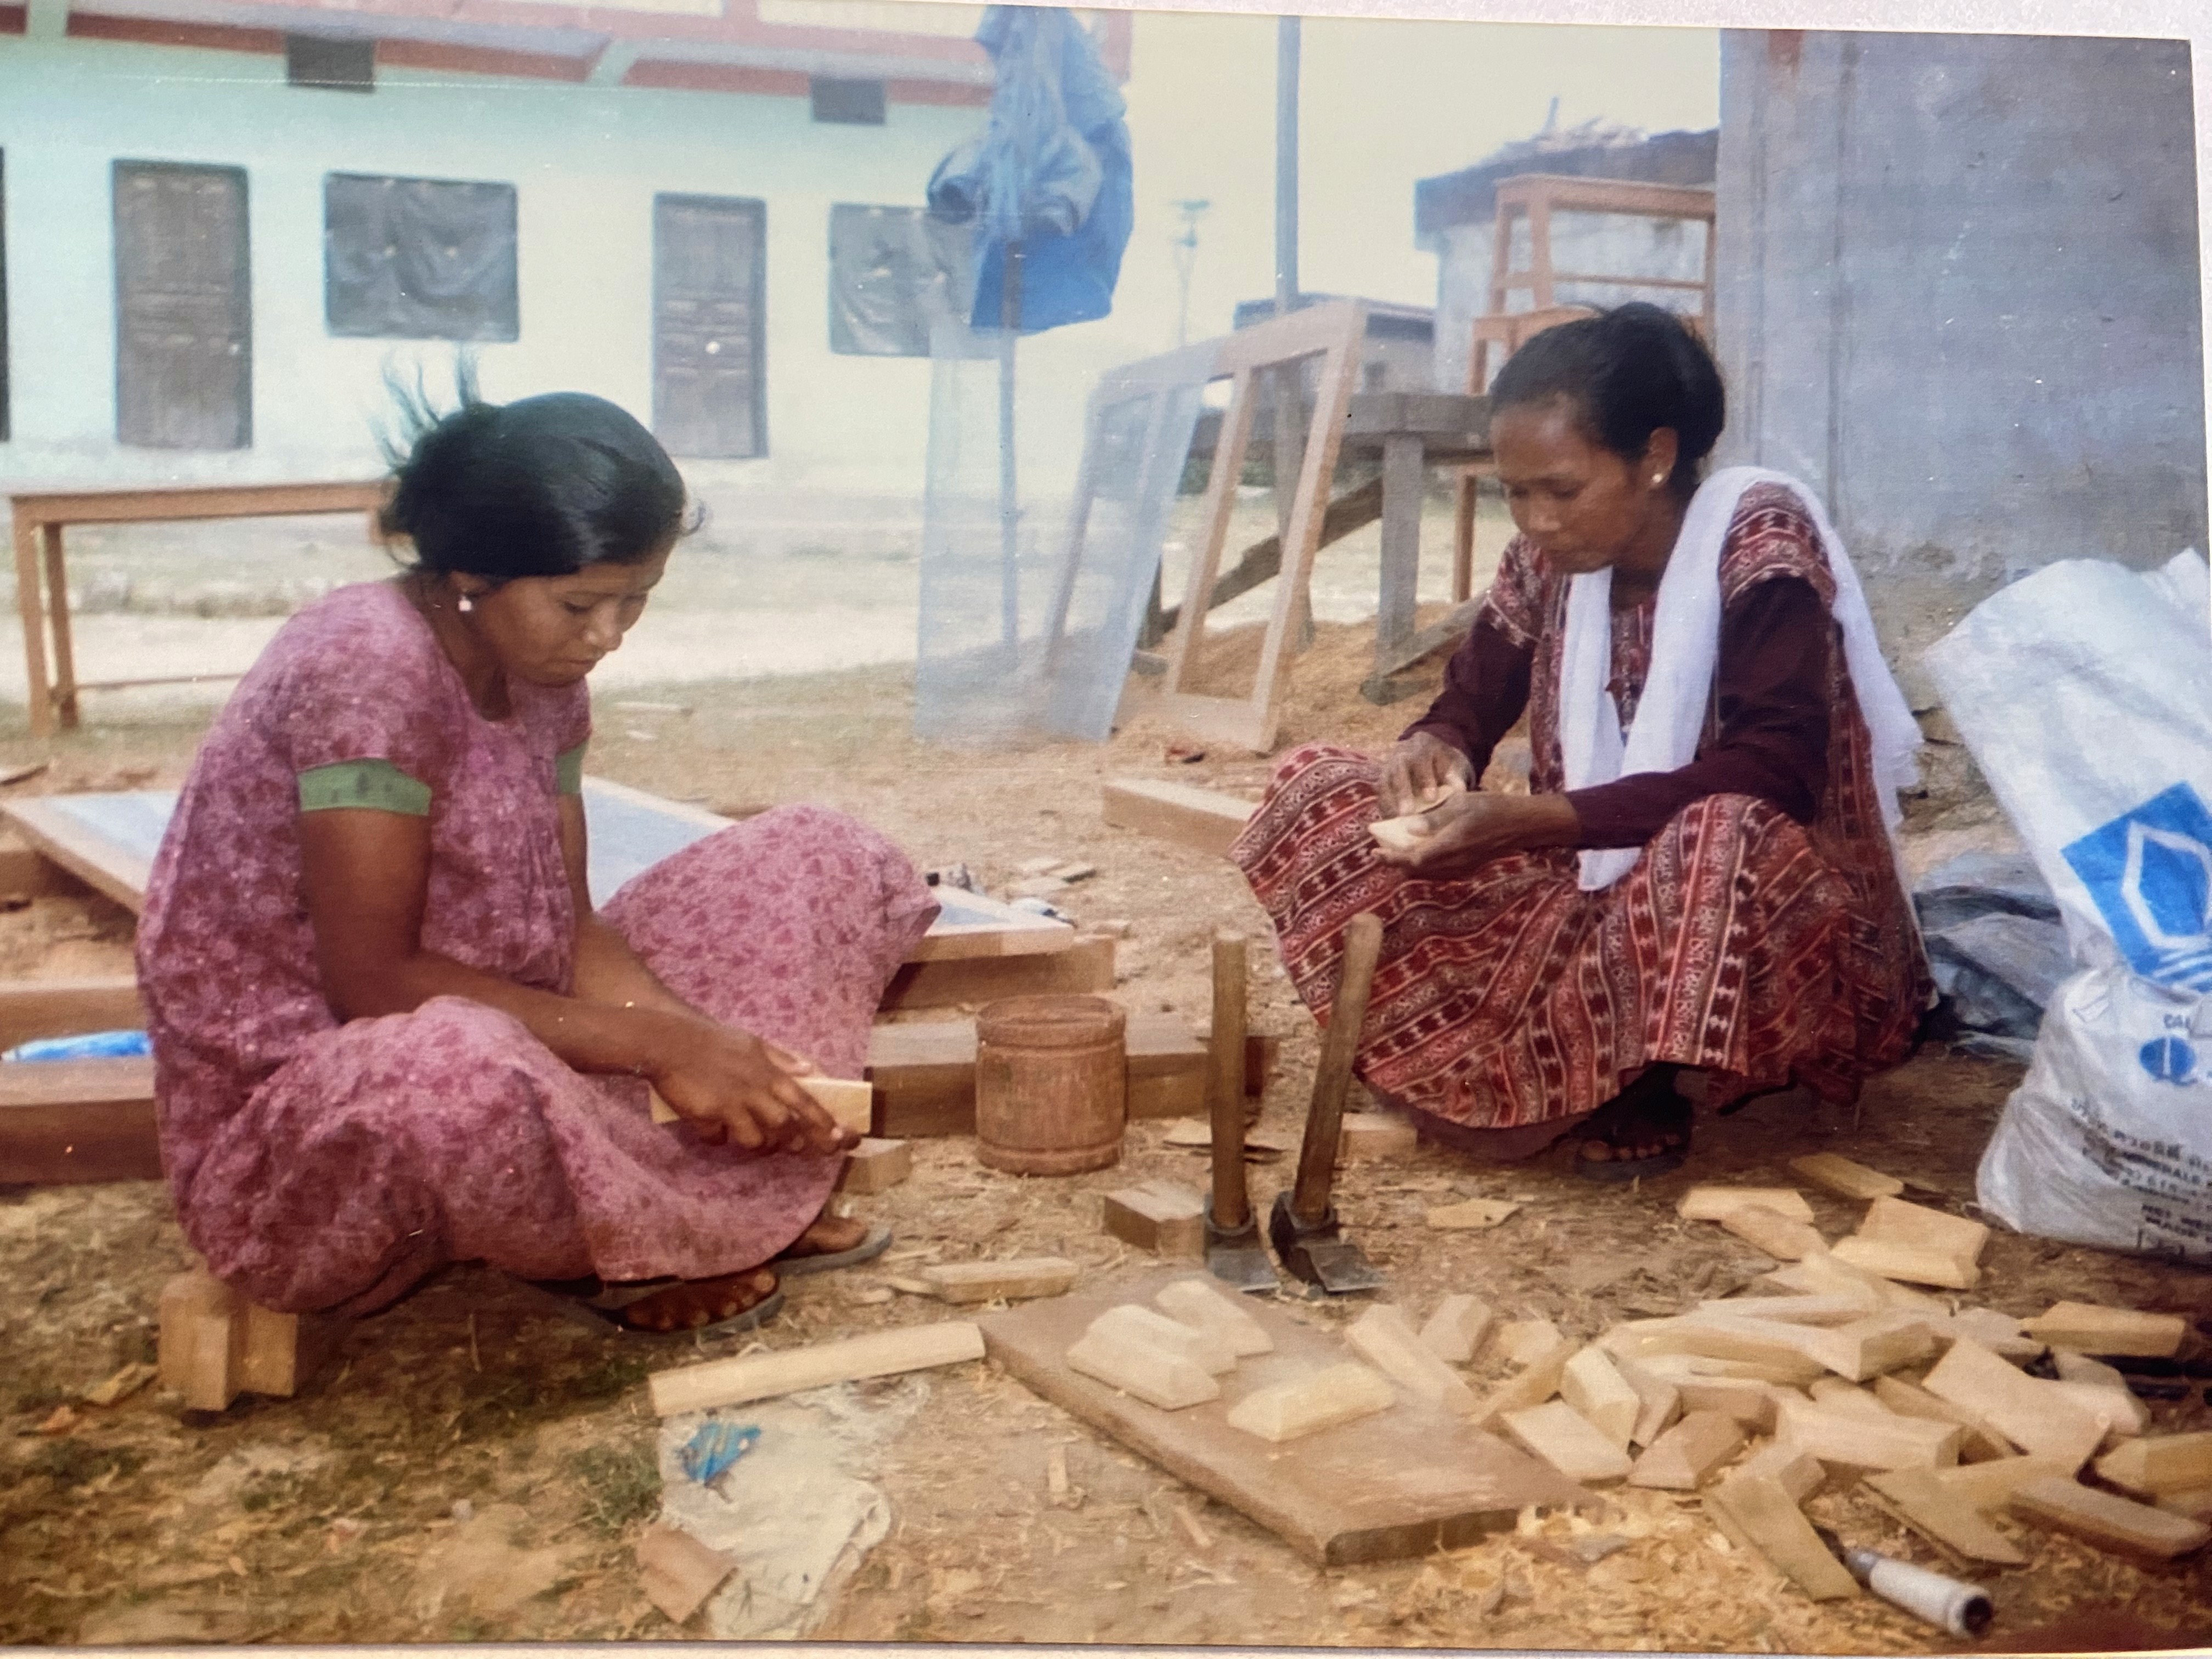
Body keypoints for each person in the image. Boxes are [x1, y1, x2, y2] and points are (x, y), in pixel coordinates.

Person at [137, 382, 938, 1333]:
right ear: (473, 573)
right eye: (580, 604)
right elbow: (373, 983)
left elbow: (570, 928)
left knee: (819, 854)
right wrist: (664, 1047)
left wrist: (721, 1053)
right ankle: (639, 1237)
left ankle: (695, 1202)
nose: (608, 636)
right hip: (313, 1128)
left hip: (523, 1031)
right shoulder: (365, 667)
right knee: (456, 1071)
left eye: (635, 601)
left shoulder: (543, 673)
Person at [1231, 304, 1930, 1178]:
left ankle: (1644, 1075)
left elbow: (1775, 771)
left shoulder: (1756, 539)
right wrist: (1433, 746)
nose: (1536, 520)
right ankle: (1497, 1054)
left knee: (1722, 834)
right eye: (1515, 493)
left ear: (1656, 457)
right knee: (1319, 783)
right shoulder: (1545, 563)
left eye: (1561, 491)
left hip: (1758, 906)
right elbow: (1470, 701)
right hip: (1587, 893)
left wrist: (1532, 821)